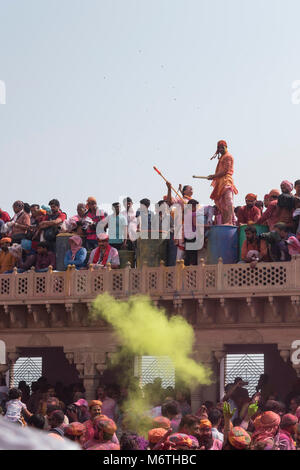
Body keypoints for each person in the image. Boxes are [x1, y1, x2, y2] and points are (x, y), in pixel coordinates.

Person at [208, 140, 238, 225]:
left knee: (228, 200)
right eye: (219, 148)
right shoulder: (223, 157)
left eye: (222, 147)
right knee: (221, 203)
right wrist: (214, 176)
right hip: (220, 182)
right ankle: (226, 221)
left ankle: (230, 221)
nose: (220, 149)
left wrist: (214, 176)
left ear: (226, 147)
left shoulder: (228, 156)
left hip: (226, 181)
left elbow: (225, 171)